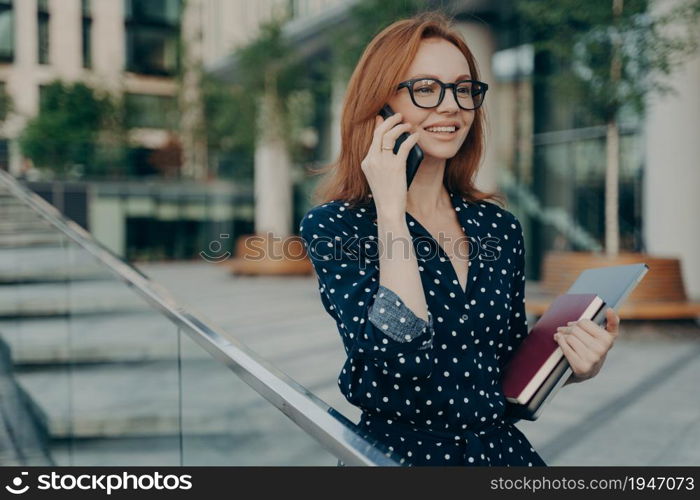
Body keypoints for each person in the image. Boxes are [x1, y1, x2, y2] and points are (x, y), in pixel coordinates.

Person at [299, 12, 620, 467]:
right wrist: (390, 210)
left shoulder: (498, 226)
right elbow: (399, 352)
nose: (451, 106)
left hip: (499, 455)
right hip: (397, 458)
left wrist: (575, 366)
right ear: (379, 106)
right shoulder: (337, 227)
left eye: (463, 89)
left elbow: (504, 373)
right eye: (426, 88)